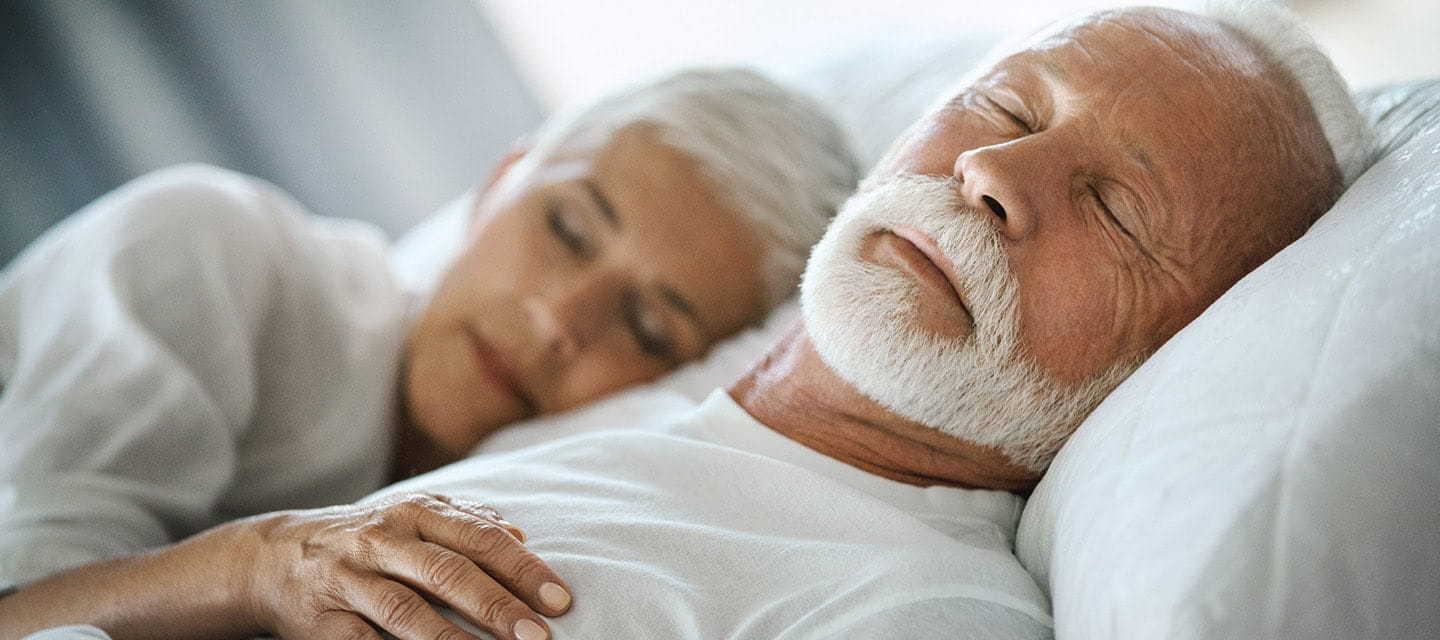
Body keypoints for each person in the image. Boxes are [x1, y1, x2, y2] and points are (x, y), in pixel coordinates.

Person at [4, 3, 1376, 640]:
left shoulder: (913, 606)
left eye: (1121, 214)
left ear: (1183, 341)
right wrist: (247, 571)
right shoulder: (584, 424)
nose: (995, 177)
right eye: (1006, 109)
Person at [0, 69, 858, 638]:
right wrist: (254, 564)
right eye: (566, 227)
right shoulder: (210, 248)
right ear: (496, 186)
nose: (561, 317)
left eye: (647, 328)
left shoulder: (555, 506)